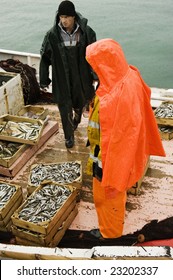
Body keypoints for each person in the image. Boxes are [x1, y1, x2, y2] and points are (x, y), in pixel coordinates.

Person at [86, 38, 166, 239]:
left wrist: (111, 171)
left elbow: (119, 139)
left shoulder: (115, 98)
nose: (93, 70)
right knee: (106, 193)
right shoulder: (130, 75)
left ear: (105, 64)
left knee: (109, 195)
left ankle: (110, 235)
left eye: (95, 65)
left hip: (108, 159)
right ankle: (108, 227)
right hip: (106, 153)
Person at [39, 0, 97, 148]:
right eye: (61, 17)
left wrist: (97, 75)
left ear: (74, 17)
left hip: (81, 77)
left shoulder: (87, 32)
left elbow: (95, 56)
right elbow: (45, 58)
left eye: (67, 17)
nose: (63, 20)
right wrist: (44, 80)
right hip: (61, 78)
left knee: (80, 103)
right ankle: (68, 136)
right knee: (64, 108)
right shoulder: (52, 35)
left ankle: (77, 118)